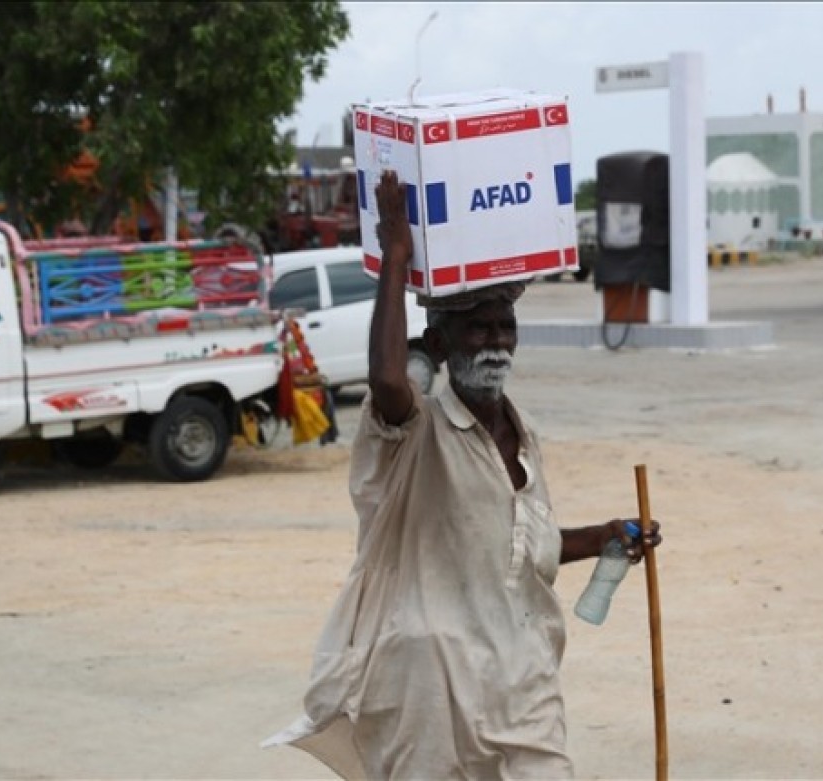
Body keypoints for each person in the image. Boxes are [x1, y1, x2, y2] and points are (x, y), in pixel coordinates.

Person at [264, 170, 663, 779]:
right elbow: (390, 379)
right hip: (428, 688)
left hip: (522, 677)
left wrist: (605, 535)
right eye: (478, 327)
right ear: (441, 343)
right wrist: (397, 253)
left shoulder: (525, 438)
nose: (496, 341)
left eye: (505, 326)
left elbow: (519, 547)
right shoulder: (411, 431)